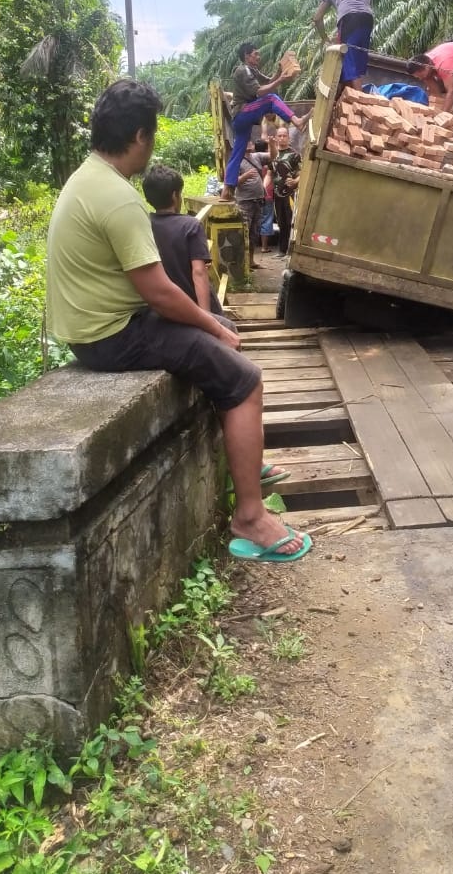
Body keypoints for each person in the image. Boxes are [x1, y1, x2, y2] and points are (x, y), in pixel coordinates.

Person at [46, 79, 309, 563]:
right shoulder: (117, 197)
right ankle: (250, 516)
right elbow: (161, 294)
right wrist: (215, 325)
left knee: (212, 355)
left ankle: (248, 463)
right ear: (141, 136)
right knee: (245, 379)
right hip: (115, 337)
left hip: (92, 332)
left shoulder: (87, 179)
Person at [142, 164, 235, 331]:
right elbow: (199, 271)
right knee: (229, 330)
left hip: (161, 309)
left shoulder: (144, 225)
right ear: (175, 195)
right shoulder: (190, 226)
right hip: (191, 306)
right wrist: (206, 317)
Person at [223, 44, 307, 199]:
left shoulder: (252, 71)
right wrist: (281, 79)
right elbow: (261, 91)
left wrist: (280, 71)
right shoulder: (243, 70)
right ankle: (297, 121)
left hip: (242, 120)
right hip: (242, 113)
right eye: (255, 54)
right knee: (271, 99)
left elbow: (269, 81)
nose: (258, 57)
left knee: (237, 153)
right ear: (247, 56)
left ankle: (226, 190)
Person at [313, 0, 375, 89]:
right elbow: (365, 11)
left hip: (350, 19)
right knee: (357, 60)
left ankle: (359, 100)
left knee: (348, 59)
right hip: (368, 20)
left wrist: (325, 38)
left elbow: (317, 18)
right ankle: (348, 96)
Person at [405, 39, 453, 125]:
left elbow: (452, 91)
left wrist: (442, 118)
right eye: (417, 76)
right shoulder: (422, 66)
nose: (420, 78)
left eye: (420, 75)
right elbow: (435, 94)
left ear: (427, 65)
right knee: (430, 88)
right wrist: (433, 115)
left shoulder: (443, 64)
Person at [235, 141, 267, 270]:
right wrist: (244, 176)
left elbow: (274, 156)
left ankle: (251, 261)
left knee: (254, 233)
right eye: (246, 141)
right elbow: (231, 181)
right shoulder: (236, 160)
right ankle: (242, 264)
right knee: (244, 233)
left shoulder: (257, 156)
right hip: (245, 202)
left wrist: (271, 143)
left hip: (258, 201)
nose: (249, 143)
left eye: (250, 141)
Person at [271, 125, 301, 256]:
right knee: (281, 222)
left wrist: (295, 181)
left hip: (290, 194)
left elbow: (303, 172)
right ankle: (282, 250)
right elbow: (269, 173)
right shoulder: (274, 154)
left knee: (290, 222)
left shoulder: (294, 155)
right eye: (280, 136)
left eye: (284, 136)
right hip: (277, 194)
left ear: (289, 138)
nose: (282, 138)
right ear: (276, 138)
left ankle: (290, 250)